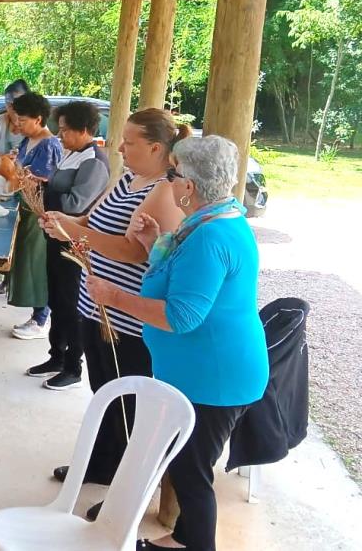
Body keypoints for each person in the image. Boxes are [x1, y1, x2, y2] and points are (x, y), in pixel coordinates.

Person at [86, 136, 266, 551]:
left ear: (189, 186)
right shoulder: (213, 219)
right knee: (186, 463)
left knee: (190, 472)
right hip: (202, 373)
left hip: (215, 379)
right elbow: (185, 280)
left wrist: (114, 297)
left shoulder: (211, 235)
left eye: (172, 174)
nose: (167, 182)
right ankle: (181, 537)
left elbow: (181, 316)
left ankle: (198, 544)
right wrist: (153, 245)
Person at [41, 108, 189, 493]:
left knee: (128, 397)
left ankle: (126, 481)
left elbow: (134, 250)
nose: (119, 146)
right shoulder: (128, 177)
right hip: (97, 302)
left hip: (127, 312)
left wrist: (73, 235)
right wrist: (66, 221)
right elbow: (92, 219)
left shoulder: (163, 188)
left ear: (156, 147)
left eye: (130, 141)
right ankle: (104, 462)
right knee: (103, 387)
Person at [26, 100, 110, 391]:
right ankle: (56, 356)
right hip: (55, 234)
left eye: (64, 130)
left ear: (83, 129)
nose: (59, 136)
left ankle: (74, 365)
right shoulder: (71, 153)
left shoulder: (94, 161)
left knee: (71, 302)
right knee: (57, 298)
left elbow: (77, 204)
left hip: (74, 241)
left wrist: (46, 200)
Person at [1, 92, 63, 334]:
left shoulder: (49, 145)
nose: (18, 125)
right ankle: (36, 314)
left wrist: (11, 173)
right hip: (24, 206)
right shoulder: (28, 141)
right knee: (26, 261)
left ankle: (41, 317)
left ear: (38, 119)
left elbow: (42, 182)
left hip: (40, 211)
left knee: (38, 264)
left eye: (22, 120)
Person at [0, 79, 31, 162]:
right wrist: (4, 158)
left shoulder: (36, 124)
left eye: (18, 103)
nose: (13, 108)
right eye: (9, 104)